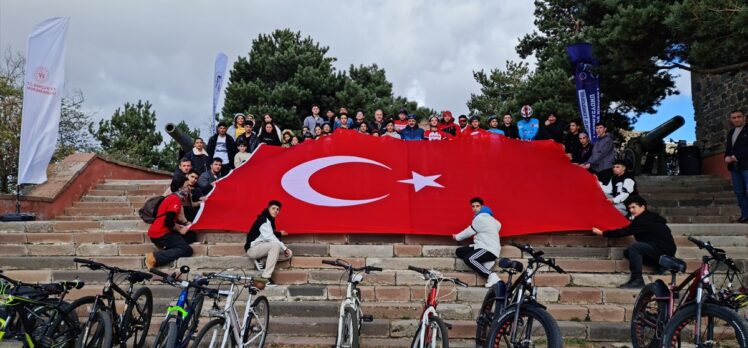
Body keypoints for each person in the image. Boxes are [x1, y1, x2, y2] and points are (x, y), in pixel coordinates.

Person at [592, 195, 676, 289]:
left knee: (635, 248)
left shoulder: (645, 219)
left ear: (643, 207)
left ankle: (637, 280)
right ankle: (660, 264)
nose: (631, 210)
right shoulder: (647, 217)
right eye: (629, 208)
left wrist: (603, 233)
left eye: (634, 207)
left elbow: (624, 231)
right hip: (661, 250)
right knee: (628, 252)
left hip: (664, 251)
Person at [145, 176, 196, 269]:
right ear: (180, 188)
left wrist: (182, 226)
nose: (189, 188)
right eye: (186, 186)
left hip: (160, 231)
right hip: (160, 234)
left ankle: (168, 249)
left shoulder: (172, 198)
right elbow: (168, 221)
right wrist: (179, 229)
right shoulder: (175, 199)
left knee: (190, 236)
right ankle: (155, 257)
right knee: (187, 250)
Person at [453, 197, 502, 287]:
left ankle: (491, 275)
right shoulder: (493, 219)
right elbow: (499, 225)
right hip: (482, 246)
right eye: (473, 206)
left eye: (477, 206)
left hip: (489, 249)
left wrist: (457, 237)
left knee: (469, 259)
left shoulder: (480, 218)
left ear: (482, 207)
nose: (475, 208)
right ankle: (484, 263)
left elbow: (469, 231)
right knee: (459, 251)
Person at [244, 200, 293, 286]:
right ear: (268, 209)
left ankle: (262, 260)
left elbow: (269, 233)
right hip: (253, 249)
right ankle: (265, 277)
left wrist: (280, 234)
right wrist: (284, 248)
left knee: (289, 254)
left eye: (278, 209)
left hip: (262, 247)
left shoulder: (269, 220)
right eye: (273, 208)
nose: (275, 211)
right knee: (276, 246)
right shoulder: (264, 220)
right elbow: (270, 237)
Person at [725, 109, 748, 223]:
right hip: (734, 167)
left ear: (744, 117)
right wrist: (726, 157)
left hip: (746, 165)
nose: (736, 119)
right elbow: (729, 148)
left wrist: (736, 156)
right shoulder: (731, 133)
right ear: (731, 120)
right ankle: (745, 215)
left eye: (739, 117)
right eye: (734, 117)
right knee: (739, 192)